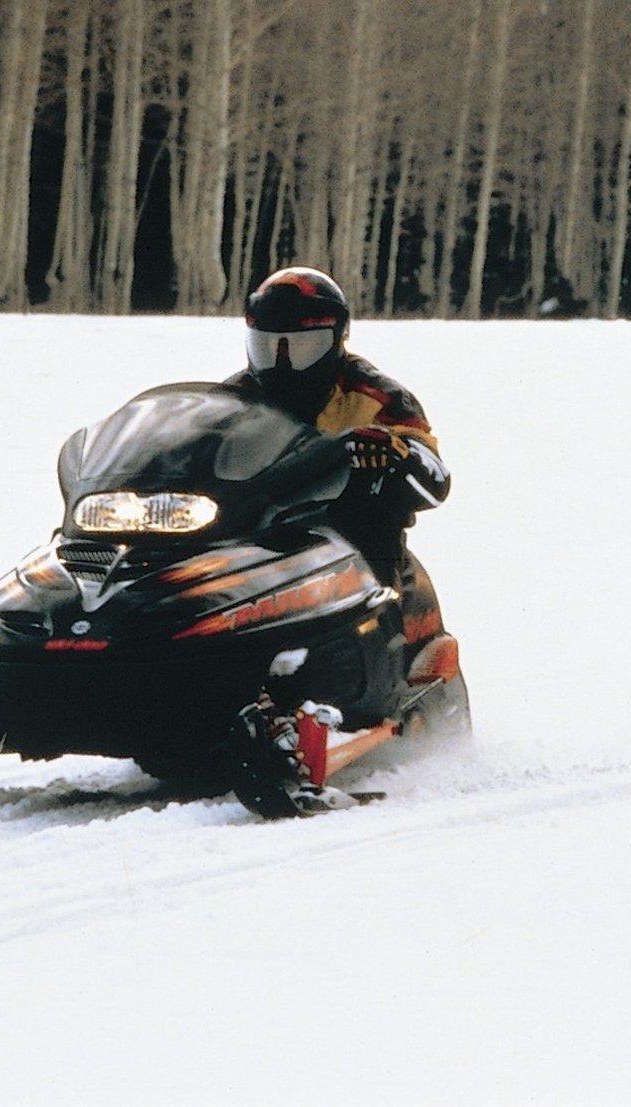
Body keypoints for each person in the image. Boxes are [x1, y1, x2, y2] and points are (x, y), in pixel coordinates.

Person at [226, 266, 456, 812]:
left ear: (335, 341)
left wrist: (393, 453)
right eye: (268, 345)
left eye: (300, 347)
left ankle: (333, 691)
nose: (281, 361)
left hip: (351, 534)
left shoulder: (377, 395)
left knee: (363, 545)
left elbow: (435, 474)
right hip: (262, 536)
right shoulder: (235, 397)